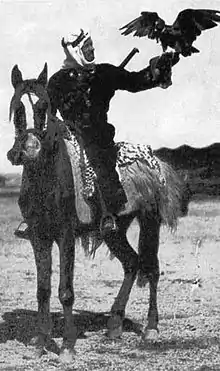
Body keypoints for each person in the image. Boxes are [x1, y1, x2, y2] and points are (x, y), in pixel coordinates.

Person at [16, 28, 179, 239]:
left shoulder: (104, 73)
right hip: (70, 137)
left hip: (98, 137)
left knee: (99, 161)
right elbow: (48, 114)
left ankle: (106, 215)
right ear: (75, 51)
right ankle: (33, 218)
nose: (92, 49)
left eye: (92, 44)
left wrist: (159, 70)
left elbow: (135, 82)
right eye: (87, 46)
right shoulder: (58, 81)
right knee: (41, 164)